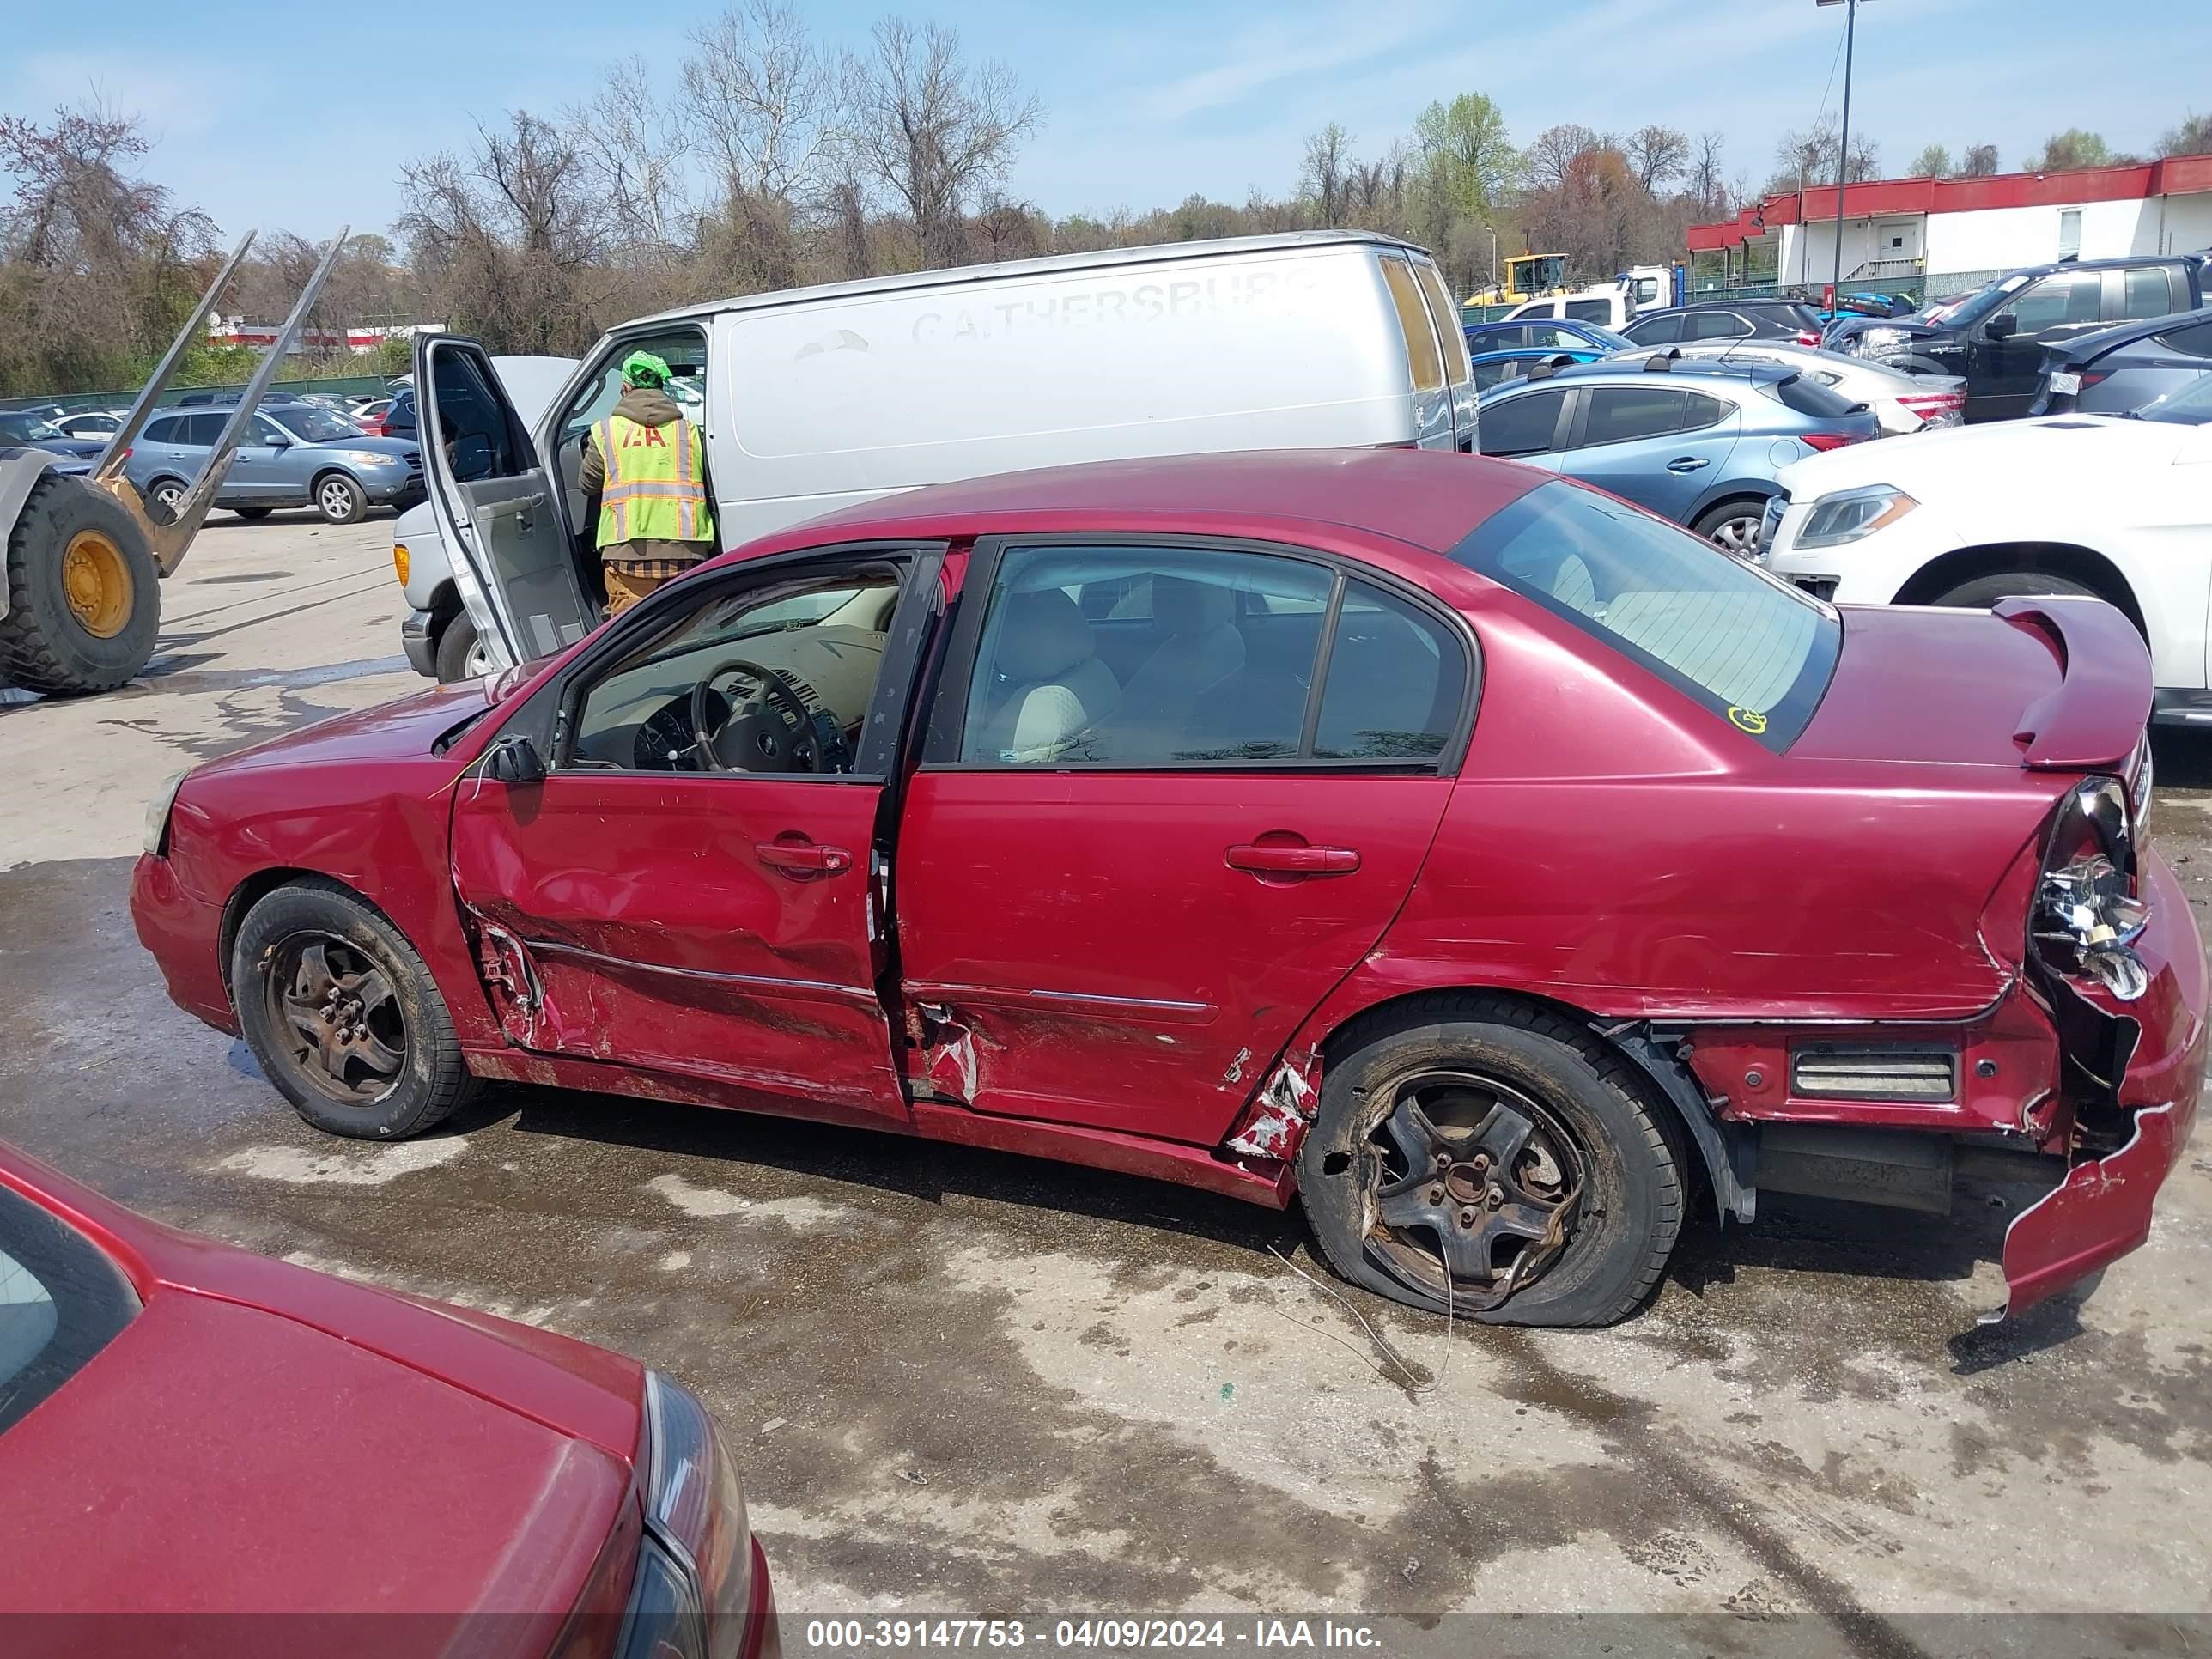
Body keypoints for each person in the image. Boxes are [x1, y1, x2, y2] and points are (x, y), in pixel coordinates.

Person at [579, 351, 715, 617]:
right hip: (687, 555)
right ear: (661, 387)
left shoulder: (606, 431)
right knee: (685, 632)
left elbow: (587, 484)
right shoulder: (688, 432)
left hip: (627, 557)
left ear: (626, 387)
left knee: (634, 639)